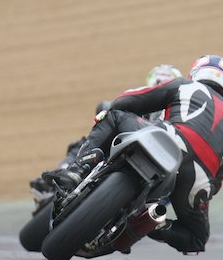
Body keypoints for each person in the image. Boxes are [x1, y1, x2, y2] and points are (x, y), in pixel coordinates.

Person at [42, 55, 223, 253]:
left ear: (196, 73)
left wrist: (114, 107)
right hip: (197, 179)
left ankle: (78, 169)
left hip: (169, 139)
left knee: (113, 116)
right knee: (196, 239)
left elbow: (132, 100)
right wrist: (200, 193)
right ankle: (150, 223)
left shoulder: (185, 85)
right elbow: (217, 181)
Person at [29, 64, 182, 195]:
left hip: (159, 167)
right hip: (126, 147)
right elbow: (114, 107)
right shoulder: (142, 96)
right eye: (158, 79)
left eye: (165, 80)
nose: (161, 82)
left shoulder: (178, 110)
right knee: (84, 142)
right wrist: (109, 110)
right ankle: (68, 173)